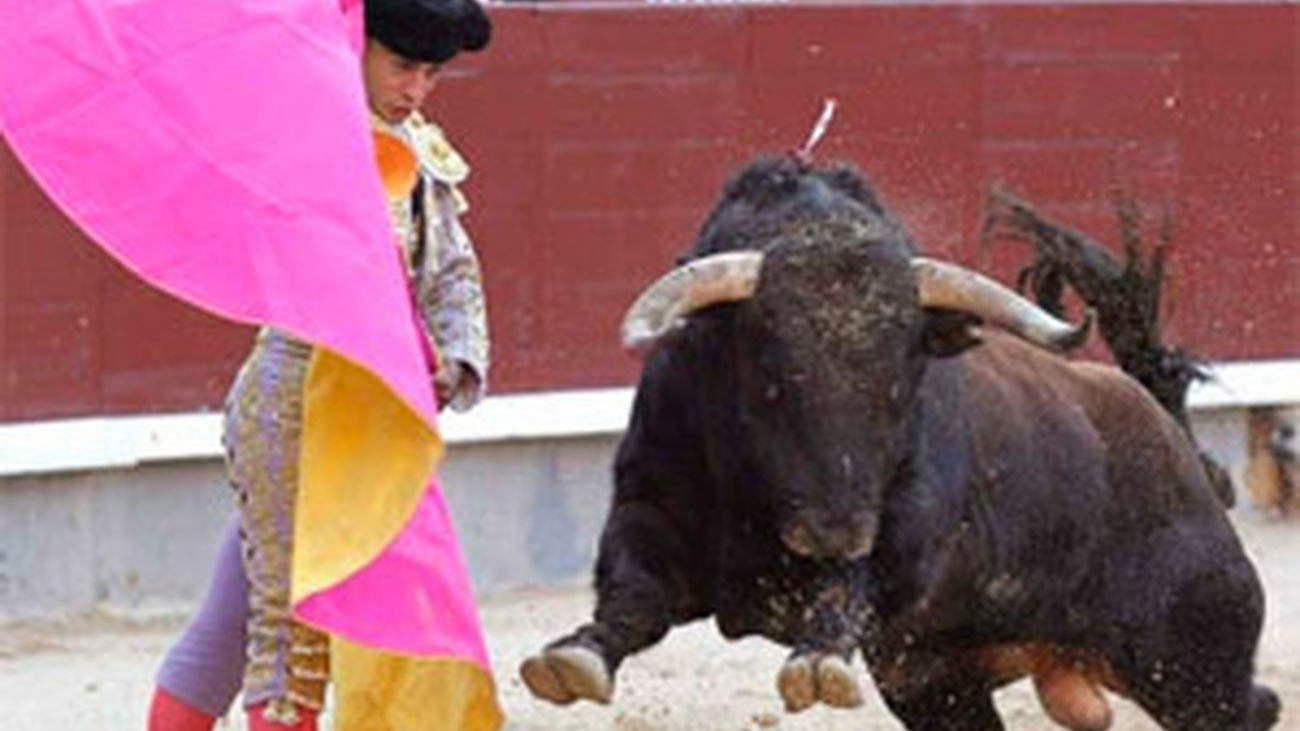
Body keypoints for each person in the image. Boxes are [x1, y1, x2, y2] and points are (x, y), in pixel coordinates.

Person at [146, 1, 492, 728]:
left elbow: (452, 272)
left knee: (241, 610)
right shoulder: (309, 133)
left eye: (430, 73)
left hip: (373, 414)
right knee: (290, 627)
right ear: (356, 46)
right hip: (295, 402)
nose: (416, 88)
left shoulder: (418, 148)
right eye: (402, 65)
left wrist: (452, 358)